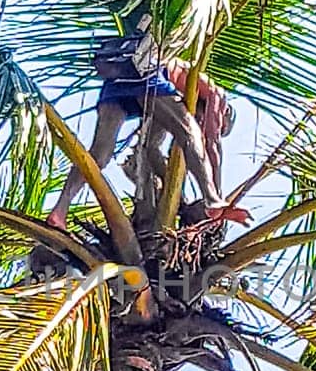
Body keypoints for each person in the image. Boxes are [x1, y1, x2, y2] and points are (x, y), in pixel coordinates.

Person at [45, 36, 247, 230]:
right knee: (191, 134)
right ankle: (212, 200)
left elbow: (151, 147)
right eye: (219, 125)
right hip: (150, 76)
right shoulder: (216, 95)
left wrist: (175, 194)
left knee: (99, 155)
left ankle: (60, 210)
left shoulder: (171, 104)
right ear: (225, 114)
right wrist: (218, 195)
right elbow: (211, 144)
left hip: (116, 83)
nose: (205, 123)